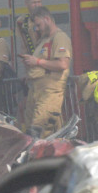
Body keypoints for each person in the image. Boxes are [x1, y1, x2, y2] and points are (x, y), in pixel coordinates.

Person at [21, 7, 71, 136]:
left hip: (50, 92)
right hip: (36, 92)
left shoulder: (60, 38)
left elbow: (63, 64)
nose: (37, 29)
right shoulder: (43, 40)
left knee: (37, 132)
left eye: (38, 25)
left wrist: (37, 62)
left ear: (47, 19)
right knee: (32, 132)